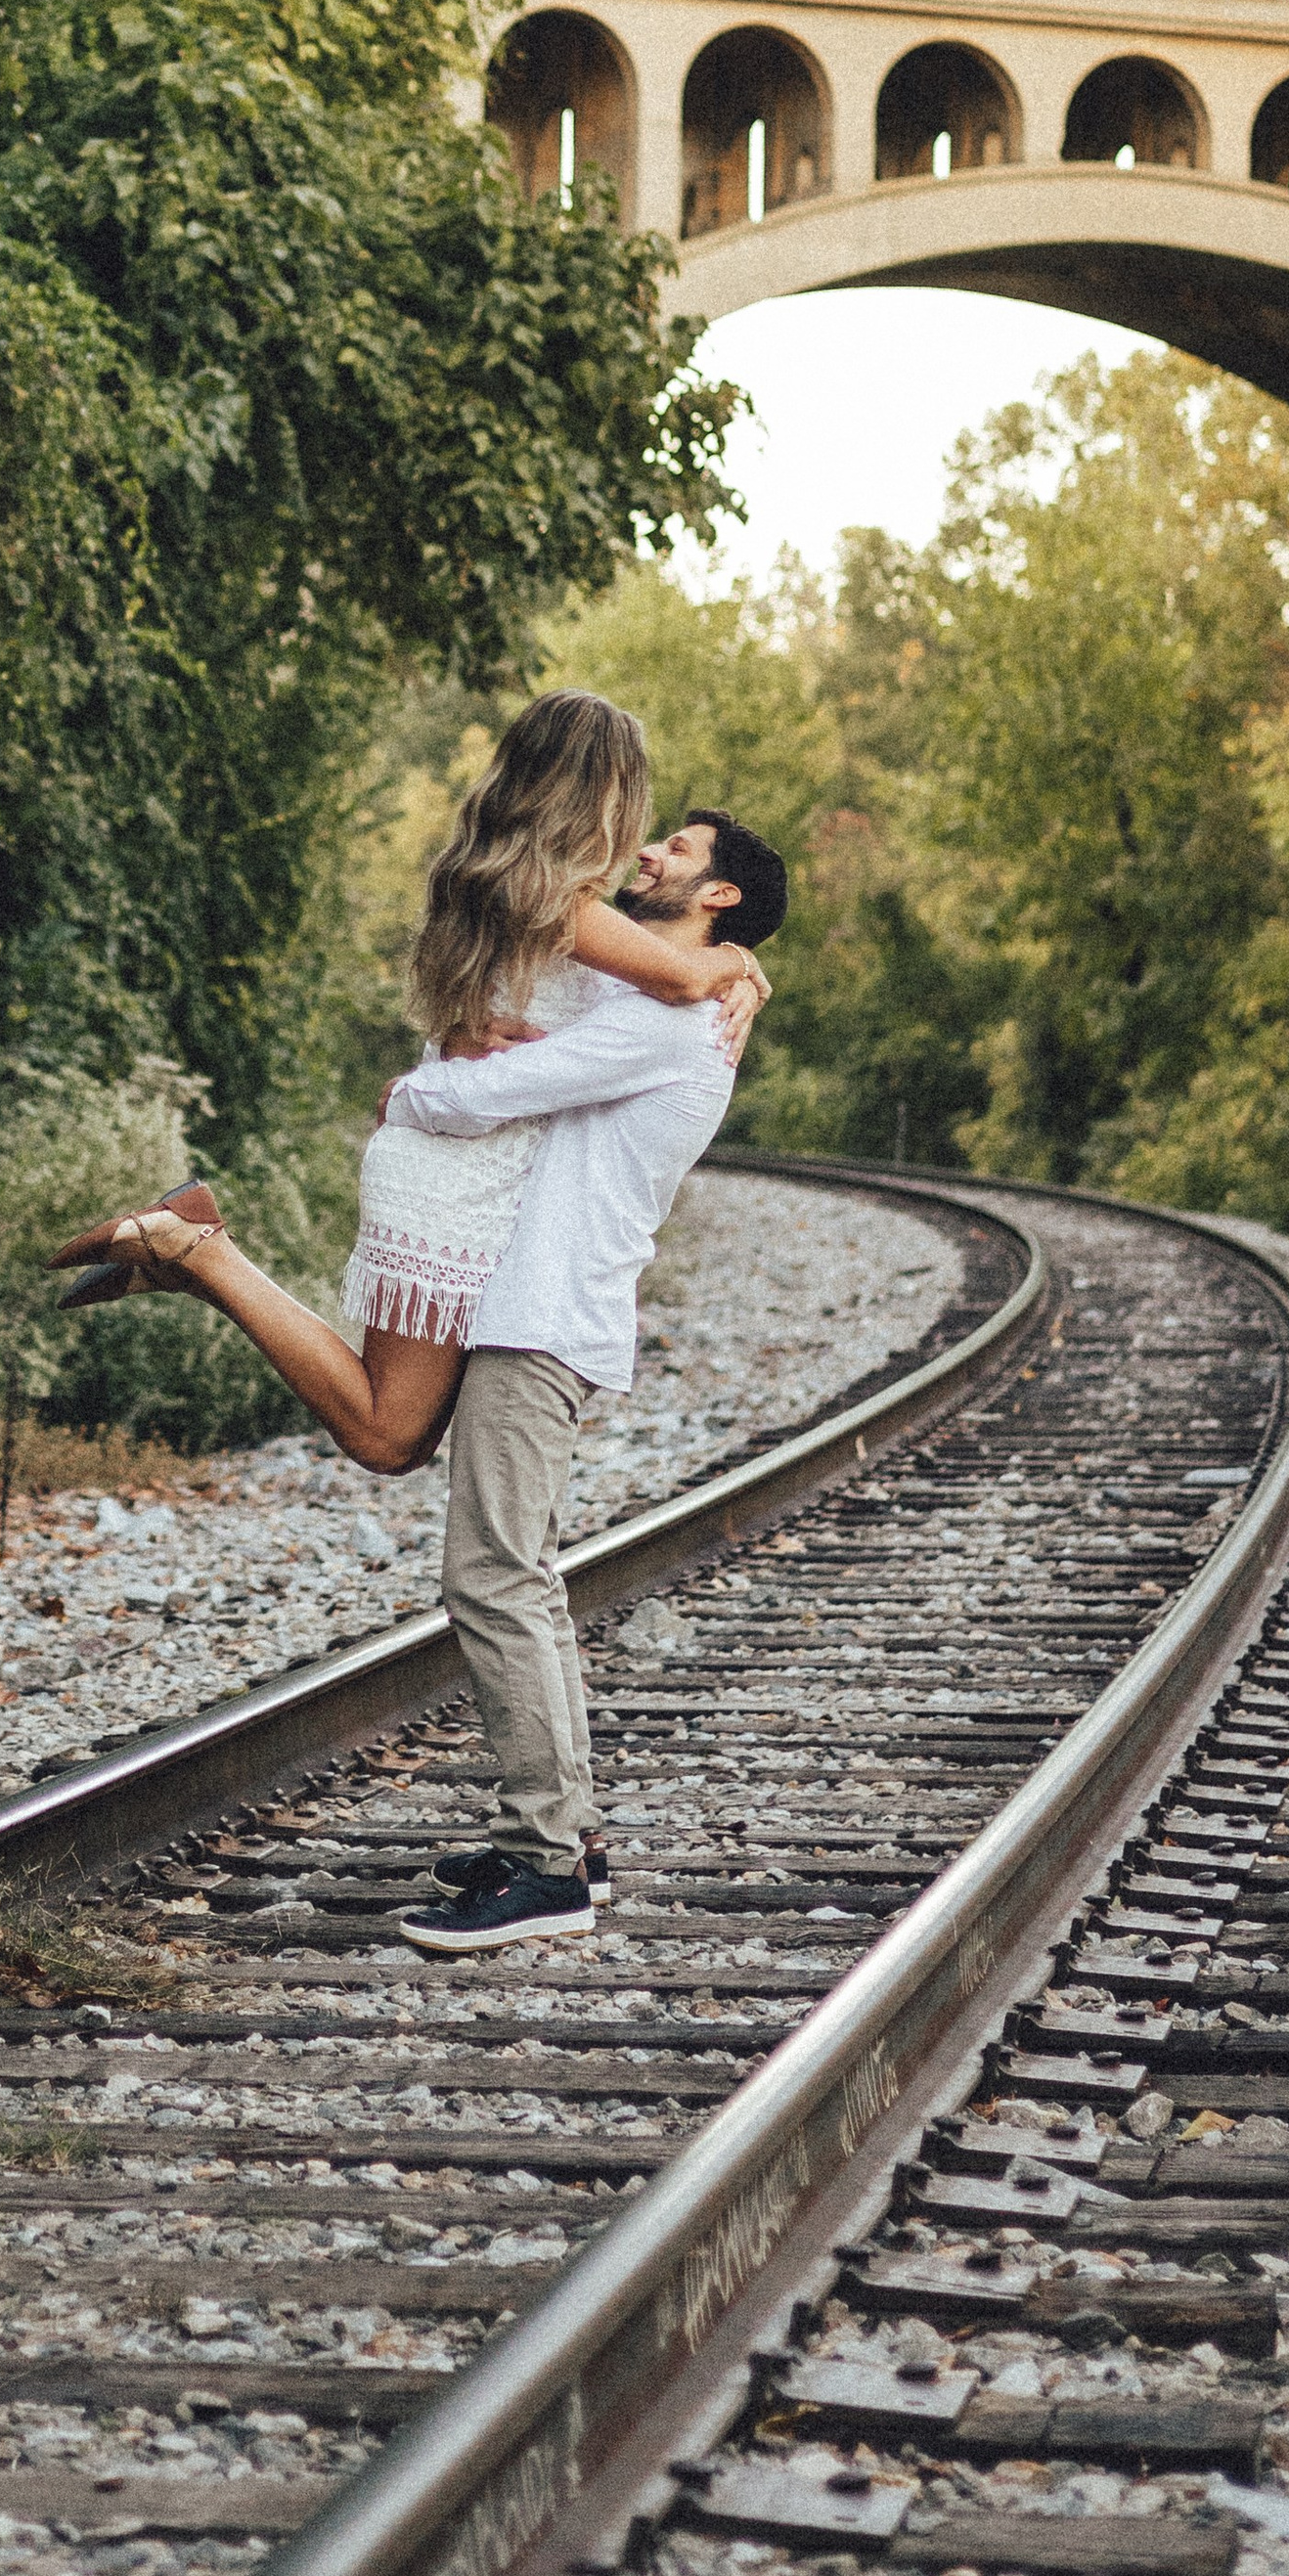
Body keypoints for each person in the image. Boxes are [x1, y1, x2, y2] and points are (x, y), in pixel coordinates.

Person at [48, 692, 769, 1477]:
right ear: (603, 793)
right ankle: (197, 1249)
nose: (643, 837)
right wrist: (740, 964)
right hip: (457, 1179)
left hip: (453, 1167)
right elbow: (679, 976)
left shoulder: (506, 881)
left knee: (403, 1434)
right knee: (388, 1436)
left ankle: (189, 1255)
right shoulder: (565, 905)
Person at [382, 801, 788, 1951]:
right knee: (523, 1577)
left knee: (494, 1576)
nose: (647, 853)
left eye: (676, 851)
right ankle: (567, 1838)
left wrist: (410, 1095)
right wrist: (744, 971)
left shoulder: (672, 1023)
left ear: (717, 898)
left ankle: (544, 1863)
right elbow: (535, 1004)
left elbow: (486, 1091)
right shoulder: (674, 996)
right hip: (536, 1307)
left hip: (542, 1315)